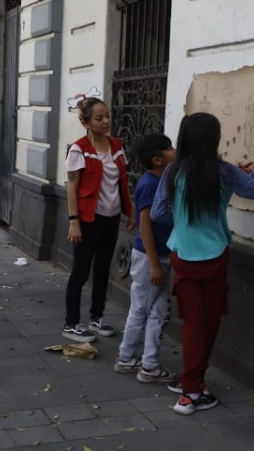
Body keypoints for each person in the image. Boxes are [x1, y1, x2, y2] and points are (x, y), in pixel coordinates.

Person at [152, 112, 254, 415]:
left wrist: (183, 222)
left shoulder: (172, 172)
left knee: (197, 322)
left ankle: (192, 380)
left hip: (183, 256)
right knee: (206, 322)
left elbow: (157, 214)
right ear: (214, 140)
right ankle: (190, 393)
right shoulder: (226, 173)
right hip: (214, 256)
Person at [63, 96, 134, 342]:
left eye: (107, 116)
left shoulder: (116, 146)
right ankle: (71, 323)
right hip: (87, 219)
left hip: (111, 218)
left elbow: (121, 184)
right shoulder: (79, 149)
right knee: (80, 271)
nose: (106, 121)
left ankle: (96, 318)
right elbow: (72, 187)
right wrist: (74, 221)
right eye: (99, 118)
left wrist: (129, 212)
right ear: (86, 122)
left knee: (103, 269)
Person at [114, 133, 176, 383]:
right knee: (141, 309)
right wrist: (154, 264)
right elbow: (145, 227)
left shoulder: (163, 180)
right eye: (169, 148)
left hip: (160, 255)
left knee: (157, 310)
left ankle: (147, 363)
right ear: (157, 159)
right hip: (150, 257)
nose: (175, 150)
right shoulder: (150, 185)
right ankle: (127, 356)